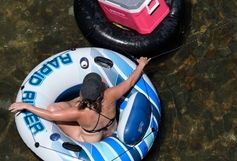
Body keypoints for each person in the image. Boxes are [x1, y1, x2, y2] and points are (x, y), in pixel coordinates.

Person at [8, 56, 150, 143]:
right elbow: (130, 82)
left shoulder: (79, 112)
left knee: (53, 109)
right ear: (101, 92)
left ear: (83, 94)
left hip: (92, 139)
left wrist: (26, 105)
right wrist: (141, 65)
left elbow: (50, 115)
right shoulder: (111, 94)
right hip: (112, 128)